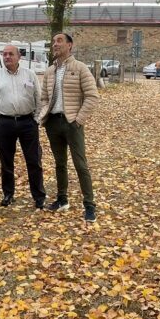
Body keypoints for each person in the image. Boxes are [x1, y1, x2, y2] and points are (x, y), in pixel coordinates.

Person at [39, 33, 99, 222]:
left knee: (80, 164)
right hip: (53, 123)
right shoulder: (50, 71)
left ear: (70, 45)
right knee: (60, 163)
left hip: (72, 123)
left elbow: (92, 96)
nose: (55, 45)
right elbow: (44, 98)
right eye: (54, 42)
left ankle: (89, 205)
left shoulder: (80, 68)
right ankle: (62, 199)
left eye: (60, 41)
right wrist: (44, 116)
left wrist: (78, 120)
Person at [0, 45, 47, 209]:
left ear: (19, 56)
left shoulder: (30, 75)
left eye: (10, 54)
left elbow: (39, 100)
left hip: (28, 123)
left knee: (34, 160)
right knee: (6, 161)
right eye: (4, 54)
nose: (7, 57)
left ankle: (39, 196)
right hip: (4, 123)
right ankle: (8, 194)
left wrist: (36, 120)